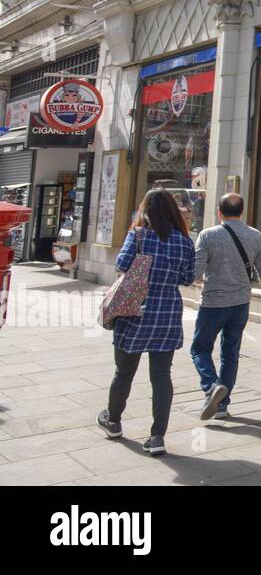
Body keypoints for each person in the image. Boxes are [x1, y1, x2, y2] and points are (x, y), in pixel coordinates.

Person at [97, 189, 197, 456]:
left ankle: (113, 421)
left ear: (146, 210)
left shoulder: (139, 235)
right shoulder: (185, 242)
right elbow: (188, 278)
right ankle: (157, 437)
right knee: (162, 376)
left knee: (124, 371)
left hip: (134, 311)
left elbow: (122, 264)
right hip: (167, 314)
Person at [191, 193, 261, 421]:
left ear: (219, 212)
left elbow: (195, 274)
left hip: (213, 303)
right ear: (242, 212)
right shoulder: (255, 236)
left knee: (200, 348)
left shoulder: (207, 235)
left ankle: (211, 386)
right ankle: (221, 406)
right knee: (230, 353)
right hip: (240, 303)